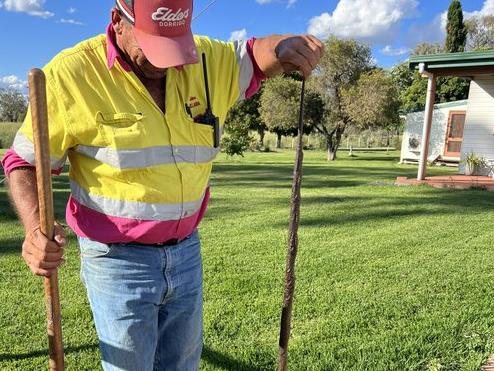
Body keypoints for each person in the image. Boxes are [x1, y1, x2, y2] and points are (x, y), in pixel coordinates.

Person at [1, 0, 323, 369]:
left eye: (173, 47)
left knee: (182, 365)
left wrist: (285, 46)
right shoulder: (72, 75)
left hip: (186, 253)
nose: (163, 62)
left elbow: (256, 53)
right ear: (117, 23)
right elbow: (23, 161)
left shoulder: (204, 59)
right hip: (116, 261)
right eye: (152, 47)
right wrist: (34, 228)